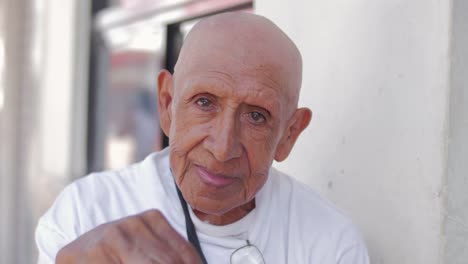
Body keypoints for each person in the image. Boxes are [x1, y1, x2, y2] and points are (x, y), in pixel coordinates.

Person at [35, 12, 369, 264]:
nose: (223, 149)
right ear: (167, 105)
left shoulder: (329, 244)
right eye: (204, 103)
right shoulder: (87, 213)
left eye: (256, 116)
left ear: (289, 134)